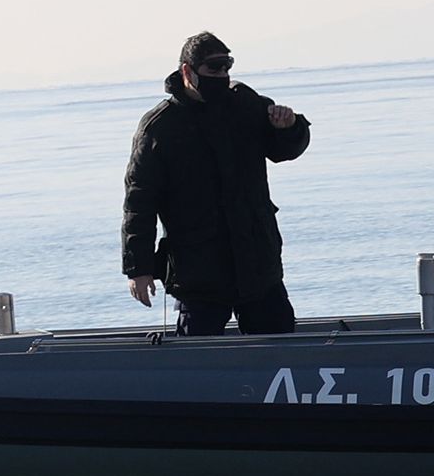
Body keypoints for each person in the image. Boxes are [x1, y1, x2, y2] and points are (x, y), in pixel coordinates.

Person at [122, 30, 310, 337]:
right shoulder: (160, 127)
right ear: (188, 71)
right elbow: (139, 201)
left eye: (227, 66)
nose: (222, 74)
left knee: (280, 352)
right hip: (198, 273)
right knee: (195, 362)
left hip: (257, 264)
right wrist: (138, 268)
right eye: (213, 68)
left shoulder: (246, 105)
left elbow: (285, 150)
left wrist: (289, 127)